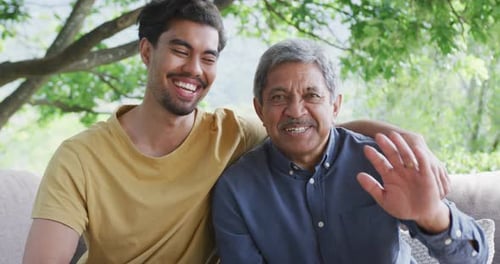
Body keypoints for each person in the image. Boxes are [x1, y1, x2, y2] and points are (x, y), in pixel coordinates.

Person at [22, 1, 448, 263]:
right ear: (147, 51)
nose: (194, 68)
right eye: (180, 50)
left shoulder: (230, 134)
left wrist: (404, 139)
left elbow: (306, 131)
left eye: (208, 57)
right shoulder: (80, 157)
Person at [211, 39, 489, 264]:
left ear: (335, 106)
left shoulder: (381, 162)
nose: (295, 111)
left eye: (312, 95)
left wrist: (433, 216)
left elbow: (475, 258)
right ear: (260, 109)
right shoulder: (236, 190)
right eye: (279, 97)